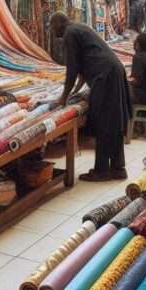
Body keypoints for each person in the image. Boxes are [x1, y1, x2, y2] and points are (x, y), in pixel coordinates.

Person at [51, 12, 132, 182]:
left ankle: (101, 170)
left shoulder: (70, 34)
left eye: (52, 26)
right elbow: (82, 68)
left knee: (103, 121)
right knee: (114, 121)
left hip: (105, 75)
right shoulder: (79, 28)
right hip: (114, 70)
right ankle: (118, 168)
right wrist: (75, 91)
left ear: (59, 24)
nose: (51, 31)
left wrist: (63, 97)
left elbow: (72, 69)